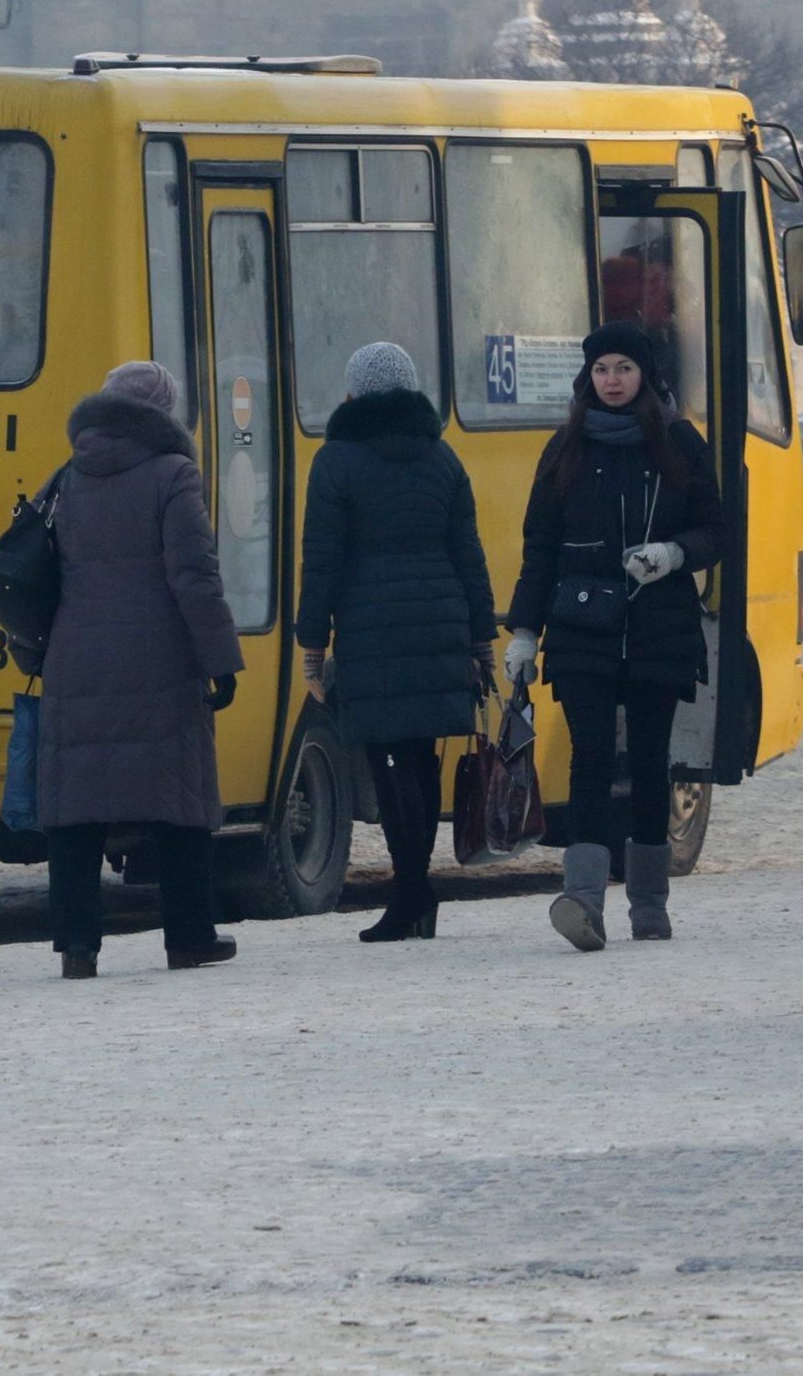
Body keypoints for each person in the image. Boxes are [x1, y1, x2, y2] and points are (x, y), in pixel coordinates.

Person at [505, 321, 721, 949]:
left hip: (659, 627)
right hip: (581, 628)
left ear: (645, 376)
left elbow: (716, 527)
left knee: (652, 763)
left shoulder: (679, 443)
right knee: (590, 758)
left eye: (624, 368)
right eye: (602, 370)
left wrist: (675, 554)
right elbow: (539, 545)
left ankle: (650, 904)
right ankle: (585, 902)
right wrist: (524, 631)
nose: (612, 381)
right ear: (587, 378)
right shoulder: (567, 446)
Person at [37, 360, 243, 979]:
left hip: (74, 657)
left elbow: (41, 572)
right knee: (179, 803)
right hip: (159, 658)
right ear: (163, 413)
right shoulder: (173, 474)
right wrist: (221, 660)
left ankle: (77, 948)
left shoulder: (68, 475)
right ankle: (189, 938)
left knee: (75, 810)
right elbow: (195, 577)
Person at [296, 342, 495, 943]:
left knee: (387, 766)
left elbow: (321, 562)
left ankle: (411, 897)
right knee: (420, 761)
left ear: (353, 394)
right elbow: (470, 555)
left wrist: (312, 646)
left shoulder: (336, 462)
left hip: (372, 630)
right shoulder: (443, 458)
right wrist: (482, 639)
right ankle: (416, 895)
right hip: (439, 625)